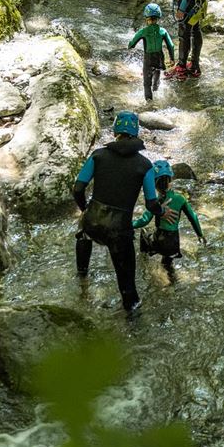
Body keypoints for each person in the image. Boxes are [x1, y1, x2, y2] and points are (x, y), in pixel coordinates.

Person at [73, 111, 173, 313]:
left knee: (83, 233)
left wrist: (86, 210)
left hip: (92, 220)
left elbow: (77, 189)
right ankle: (132, 317)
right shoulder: (145, 166)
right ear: (136, 133)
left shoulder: (98, 156)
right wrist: (163, 212)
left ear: (115, 131)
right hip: (119, 230)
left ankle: (82, 280)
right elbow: (151, 204)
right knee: (128, 286)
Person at [133, 160, 206, 276]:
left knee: (144, 233)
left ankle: (143, 262)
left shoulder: (155, 203)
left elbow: (144, 221)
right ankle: (172, 285)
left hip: (159, 240)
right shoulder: (180, 198)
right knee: (167, 265)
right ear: (171, 180)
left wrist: (128, 224)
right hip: (173, 242)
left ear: (154, 184)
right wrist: (200, 234)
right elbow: (193, 217)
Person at [128, 3, 176, 101]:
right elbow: (171, 45)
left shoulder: (143, 31)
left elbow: (132, 43)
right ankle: (157, 93)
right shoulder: (163, 31)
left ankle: (149, 102)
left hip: (148, 58)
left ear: (146, 18)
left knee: (147, 83)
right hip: (159, 58)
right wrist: (172, 58)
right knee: (157, 76)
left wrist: (130, 47)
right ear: (158, 17)